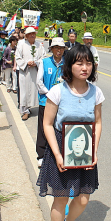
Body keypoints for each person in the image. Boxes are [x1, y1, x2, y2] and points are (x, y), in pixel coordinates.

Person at [37, 44, 105, 221]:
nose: (85, 67)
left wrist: (93, 150)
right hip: (61, 146)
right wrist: (57, 155)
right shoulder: (58, 91)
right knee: (61, 197)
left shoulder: (96, 92)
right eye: (79, 63)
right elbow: (47, 124)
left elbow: (98, 122)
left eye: (89, 63)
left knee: (83, 198)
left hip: (85, 148)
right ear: (69, 65)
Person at [36, 37, 66, 168]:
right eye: (56, 48)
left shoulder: (67, 63)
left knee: (59, 128)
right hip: (46, 101)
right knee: (43, 128)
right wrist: (50, 94)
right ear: (52, 49)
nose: (59, 51)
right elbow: (39, 82)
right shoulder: (44, 62)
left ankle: (58, 153)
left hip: (62, 102)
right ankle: (41, 155)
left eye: (61, 48)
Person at [15, 27, 46, 121]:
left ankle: (29, 107)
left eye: (34, 34)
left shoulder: (39, 45)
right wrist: (26, 63)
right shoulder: (21, 44)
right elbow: (17, 57)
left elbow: (43, 56)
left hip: (34, 71)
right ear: (27, 36)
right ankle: (24, 111)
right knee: (24, 91)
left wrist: (36, 62)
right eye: (30, 34)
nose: (32, 35)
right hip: (25, 71)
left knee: (33, 90)